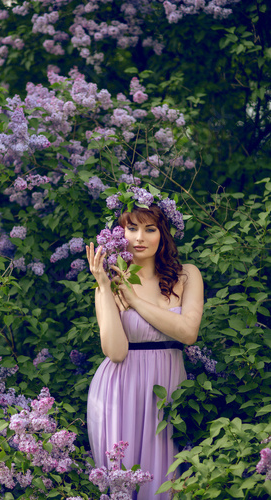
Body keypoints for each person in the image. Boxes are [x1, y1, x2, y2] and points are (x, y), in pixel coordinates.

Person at [86, 196, 204, 499]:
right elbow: (115, 351)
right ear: (119, 234)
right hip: (119, 390)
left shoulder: (185, 275)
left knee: (166, 480)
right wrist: (103, 286)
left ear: (163, 234)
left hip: (168, 388)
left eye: (150, 229)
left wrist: (135, 301)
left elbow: (188, 333)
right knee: (123, 480)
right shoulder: (109, 281)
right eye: (131, 228)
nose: (140, 238)